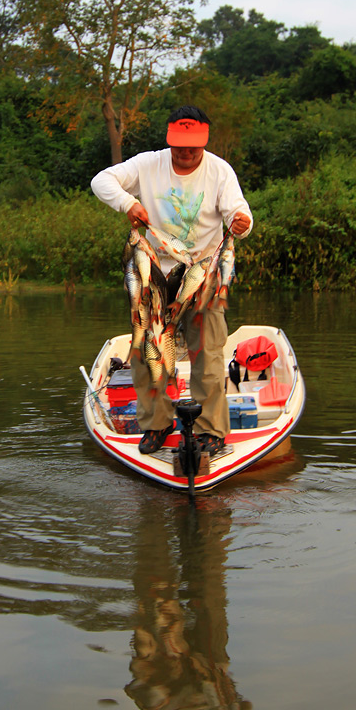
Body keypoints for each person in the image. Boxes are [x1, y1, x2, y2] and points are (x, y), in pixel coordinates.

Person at [91, 105, 253, 456]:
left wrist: (242, 221)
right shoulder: (149, 163)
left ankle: (211, 429)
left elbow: (238, 210)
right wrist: (127, 204)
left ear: (205, 140)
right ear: (169, 139)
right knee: (149, 354)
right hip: (155, 277)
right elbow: (101, 180)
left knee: (208, 354)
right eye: (179, 143)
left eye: (193, 144)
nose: (186, 151)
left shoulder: (219, 172)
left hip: (202, 274)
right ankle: (156, 424)